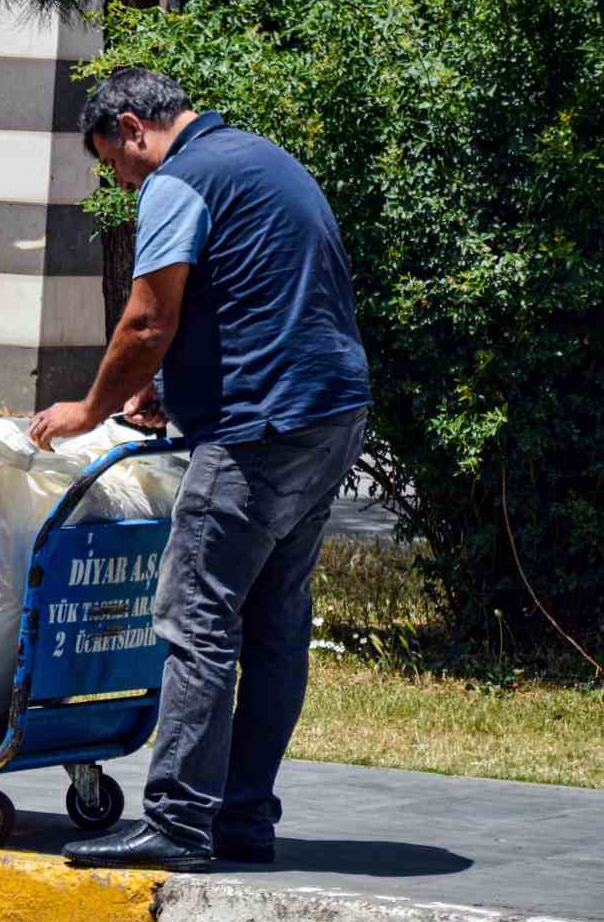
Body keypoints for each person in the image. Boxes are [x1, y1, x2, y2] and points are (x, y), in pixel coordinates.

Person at [27, 68, 371, 870]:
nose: (120, 177)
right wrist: (170, 390)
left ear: (131, 126)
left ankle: (179, 820)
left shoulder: (178, 181)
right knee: (275, 622)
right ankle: (245, 818)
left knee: (197, 614)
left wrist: (90, 407)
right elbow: (253, 296)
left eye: (113, 160)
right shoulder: (258, 159)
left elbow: (148, 319)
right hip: (330, 413)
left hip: (261, 428)